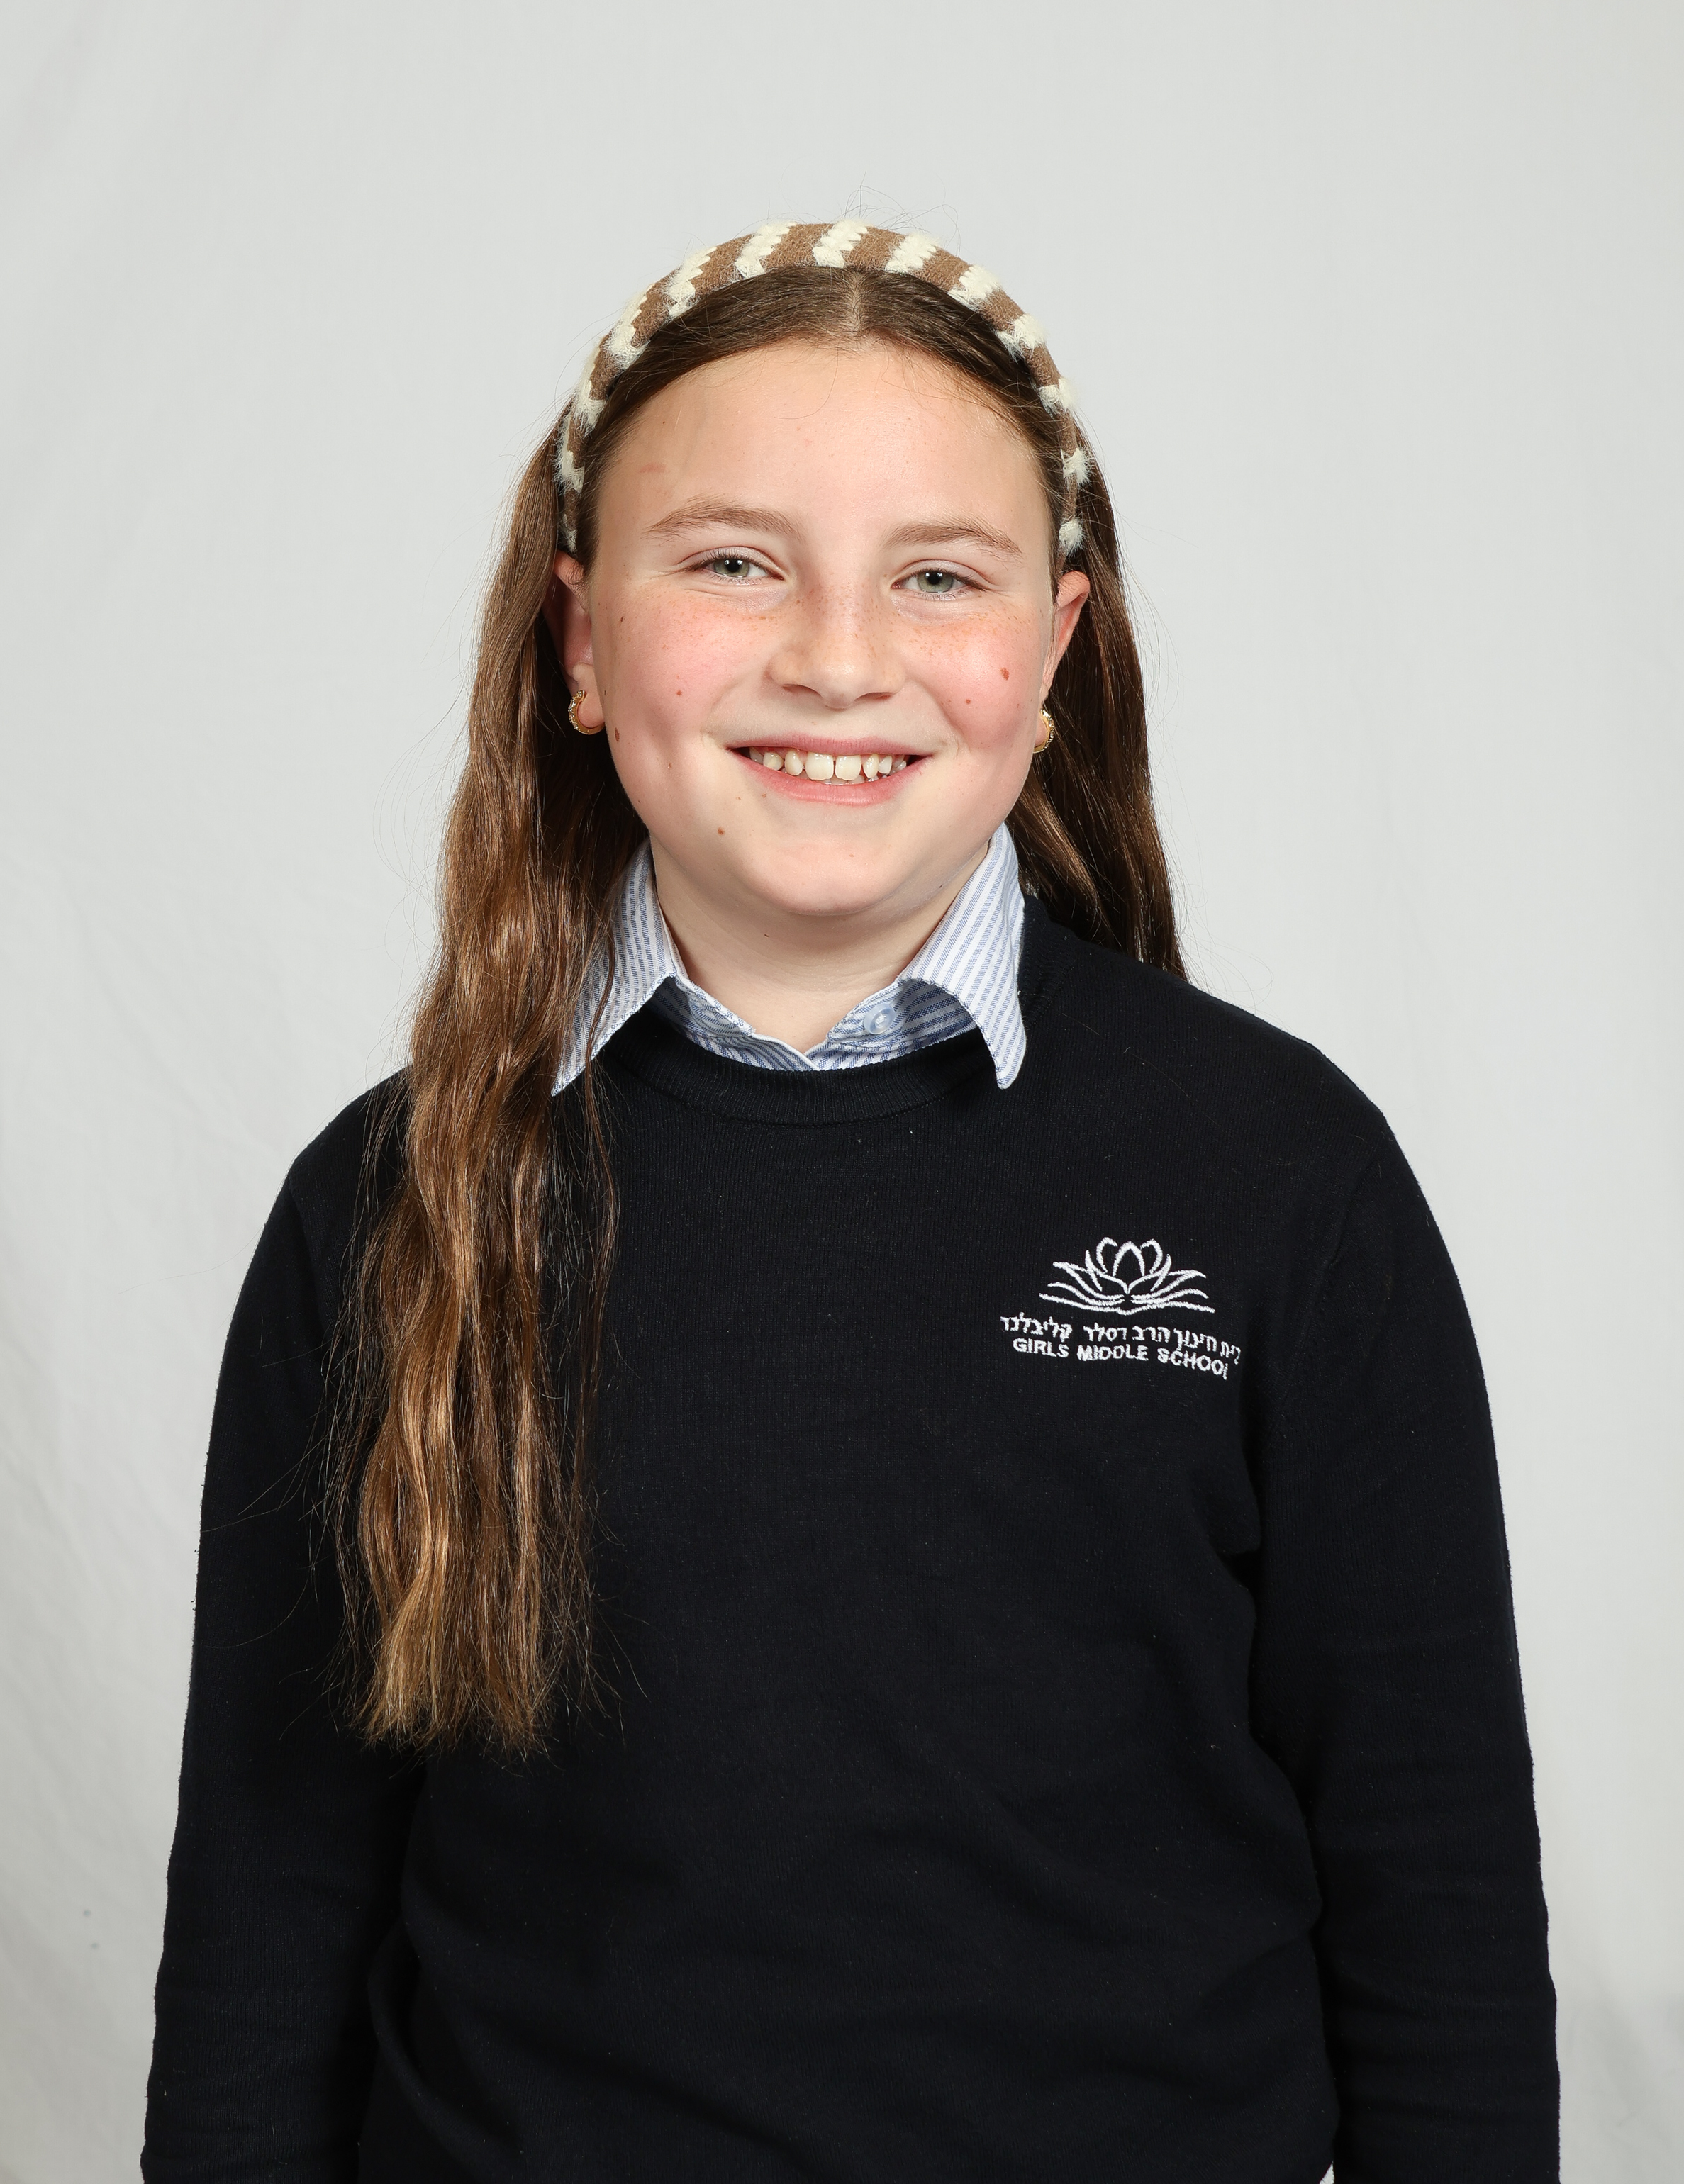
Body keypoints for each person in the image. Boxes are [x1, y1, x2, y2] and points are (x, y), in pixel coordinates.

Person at [143, 222, 1558, 2183]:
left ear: (1053, 655)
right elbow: (267, 1919)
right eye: (734, 562)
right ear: (579, 642)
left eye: (939, 577)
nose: (836, 654)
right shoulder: (391, 1203)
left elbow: (1440, 1902)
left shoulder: (1283, 1175)